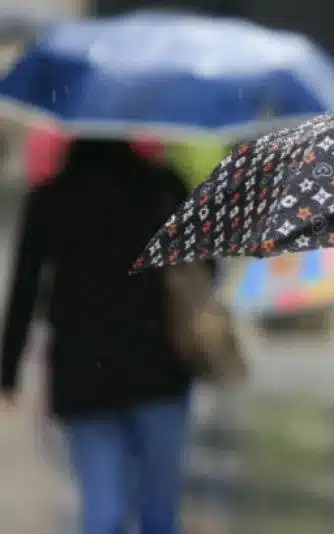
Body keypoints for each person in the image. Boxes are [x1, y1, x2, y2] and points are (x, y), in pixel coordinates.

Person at [0, 140, 196, 534]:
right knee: (159, 513)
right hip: (159, 368)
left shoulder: (51, 199)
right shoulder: (165, 188)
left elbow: (25, 289)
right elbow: (205, 270)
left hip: (84, 375)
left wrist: (8, 373)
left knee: (102, 512)